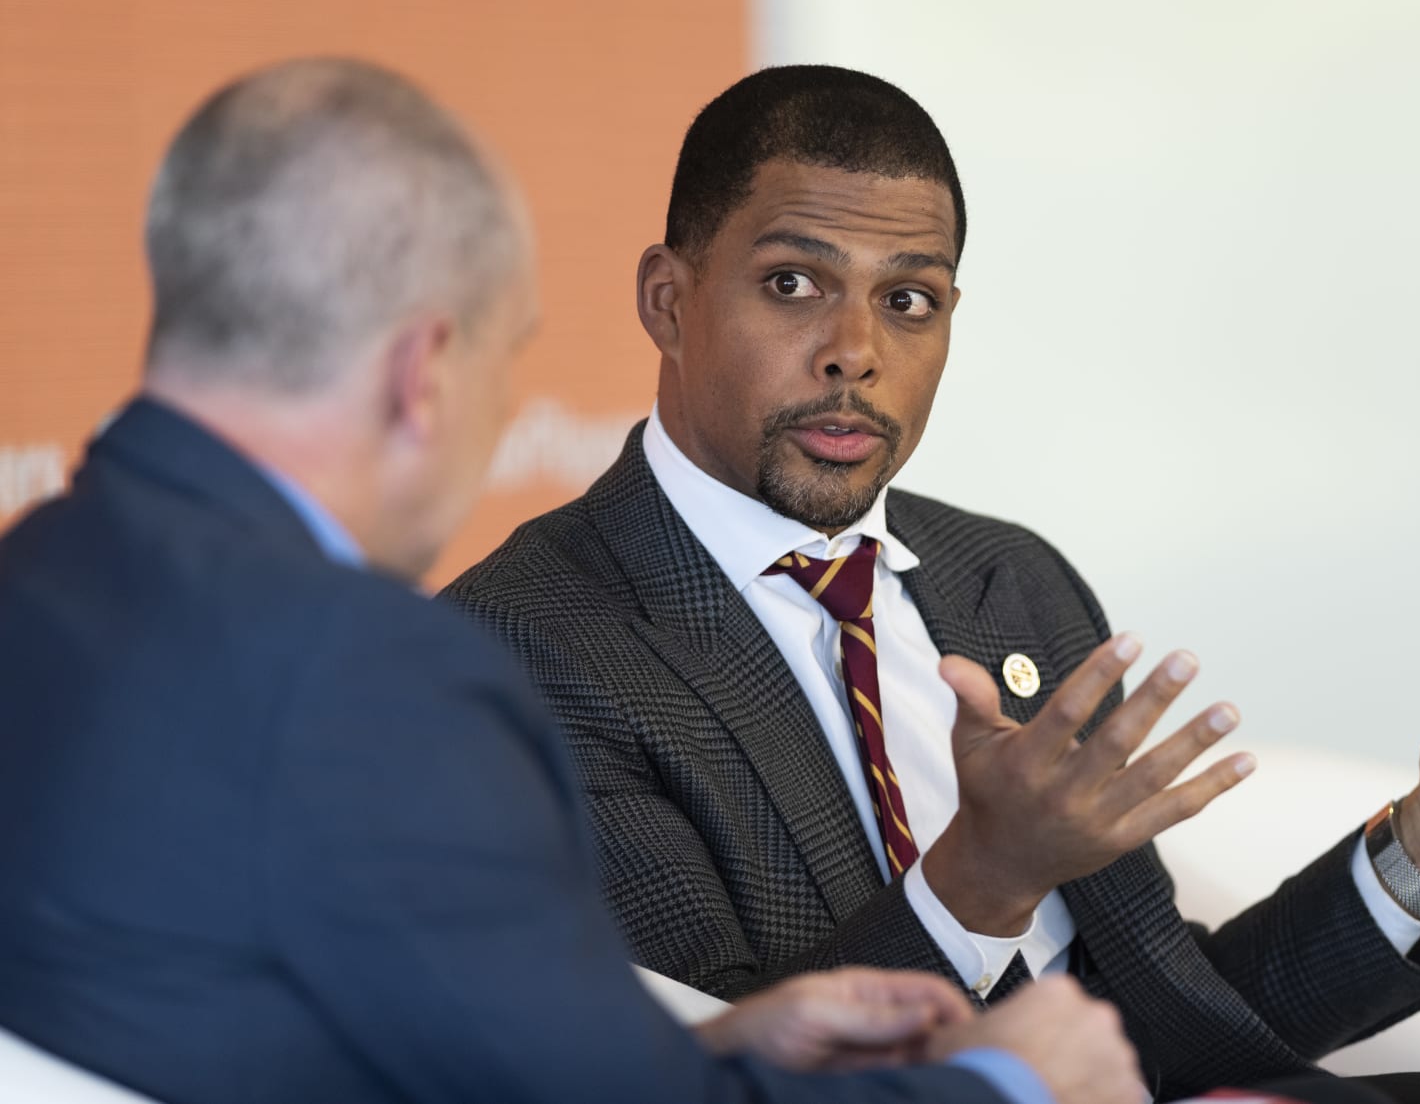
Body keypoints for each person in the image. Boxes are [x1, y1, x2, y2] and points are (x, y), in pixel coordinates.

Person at [444, 65, 1420, 1104]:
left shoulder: (1006, 578)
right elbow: (708, 1074)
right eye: (795, 285)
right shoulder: (520, 648)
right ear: (667, 300)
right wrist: (979, 881)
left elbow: (1173, 1030)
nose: (855, 354)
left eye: (910, 299)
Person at [0, 58, 1155, 1104]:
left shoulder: (45, 572)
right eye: (511, 356)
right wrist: (1008, 1081)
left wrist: (714, 1041)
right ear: (424, 375)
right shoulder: (378, 679)